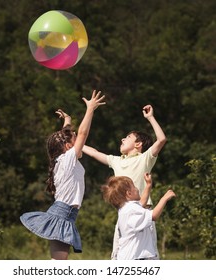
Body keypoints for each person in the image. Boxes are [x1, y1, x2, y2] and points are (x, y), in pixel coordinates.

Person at [20, 90, 106, 260]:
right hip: (62, 215)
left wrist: (67, 121)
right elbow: (82, 133)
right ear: (67, 146)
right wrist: (90, 109)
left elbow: (67, 138)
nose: (80, 143)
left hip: (64, 214)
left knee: (59, 262)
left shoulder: (62, 159)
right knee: (58, 263)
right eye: (74, 140)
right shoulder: (67, 159)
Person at [82, 104, 166, 259]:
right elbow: (93, 153)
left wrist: (150, 118)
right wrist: (76, 142)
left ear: (138, 144)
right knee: (118, 256)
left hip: (143, 215)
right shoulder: (116, 161)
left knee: (147, 258)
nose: (122, 138)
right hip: (124, 217)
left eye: (128, 137)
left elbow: (161, 140)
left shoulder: (144, 159)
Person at [101, 173, 176, 260]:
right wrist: (164, 198)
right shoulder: (132, 210)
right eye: (134, 187)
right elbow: (154, 215)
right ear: (129, 193)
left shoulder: (126, 209)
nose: (137, 189)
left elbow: (141, 203)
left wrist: (148, 185)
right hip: (135, 258)